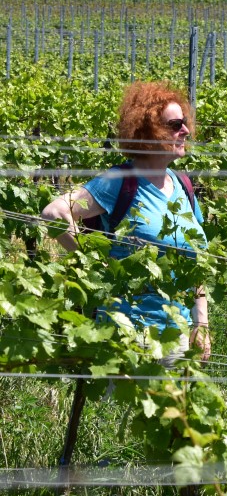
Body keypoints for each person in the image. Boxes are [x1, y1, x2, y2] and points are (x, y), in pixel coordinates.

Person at [41, 81, 210, 366]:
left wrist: (201, 324)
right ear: (149, 132)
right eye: (175, 125)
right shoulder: (119, 181)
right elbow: (54, 213)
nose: (185, 131)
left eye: (184, 122)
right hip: (129, 337)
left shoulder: (184, 186)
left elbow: (198, 263)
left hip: (179, 337)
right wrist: (97, 268)